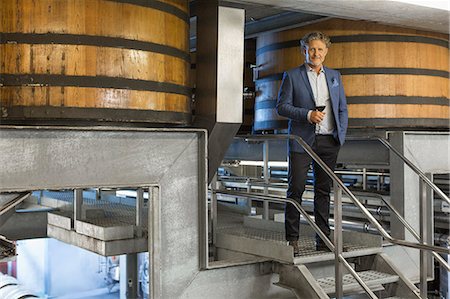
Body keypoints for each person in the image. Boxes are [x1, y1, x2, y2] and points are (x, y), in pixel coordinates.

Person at [276, 31, 348, 255]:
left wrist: (340, 135)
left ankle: (323, 240)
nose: (315, 53)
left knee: (323, 191)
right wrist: (307, 115)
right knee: (296, 189)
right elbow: (282, 107)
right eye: (311, 49)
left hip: (329, 142)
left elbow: (342, 108)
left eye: (320, 49)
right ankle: (292, 239)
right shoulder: (292, 75)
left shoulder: (335, 76)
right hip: (302, 142)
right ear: (304, 50)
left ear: (326, 52)